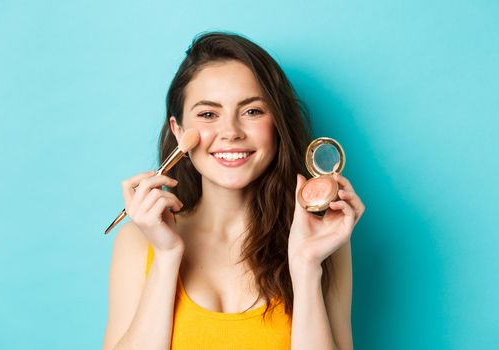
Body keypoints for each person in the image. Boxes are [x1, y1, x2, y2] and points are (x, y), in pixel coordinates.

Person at [102, 31, 365, 350]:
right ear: (179, 130)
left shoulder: (324, 240)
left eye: (252, 111)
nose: (230, 132)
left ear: (276, 124)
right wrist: (167, 256)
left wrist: (306, 266)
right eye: (208, 114)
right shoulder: (137, 242)